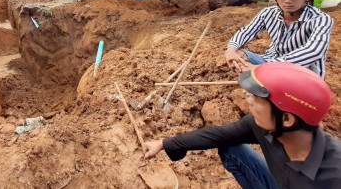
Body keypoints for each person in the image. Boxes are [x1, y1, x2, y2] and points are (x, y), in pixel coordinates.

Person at [144, 62, 341, 188]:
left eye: (256, 96)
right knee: (230, 146)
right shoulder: (266, 126)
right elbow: (219, 134)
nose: (247, 98)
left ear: (287, 119)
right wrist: (164, 143)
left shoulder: (333, 176)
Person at [224, 0, 333, 79]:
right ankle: (262, 81)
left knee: (271, 90)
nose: (288, 0)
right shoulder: (268, 13)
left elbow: (313, 51)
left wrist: (264, 68)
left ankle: (264, 82)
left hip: (302, 70)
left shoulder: (321, 19)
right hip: (271, 60)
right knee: (239, 55)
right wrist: (231, 50)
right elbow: (246, 31)